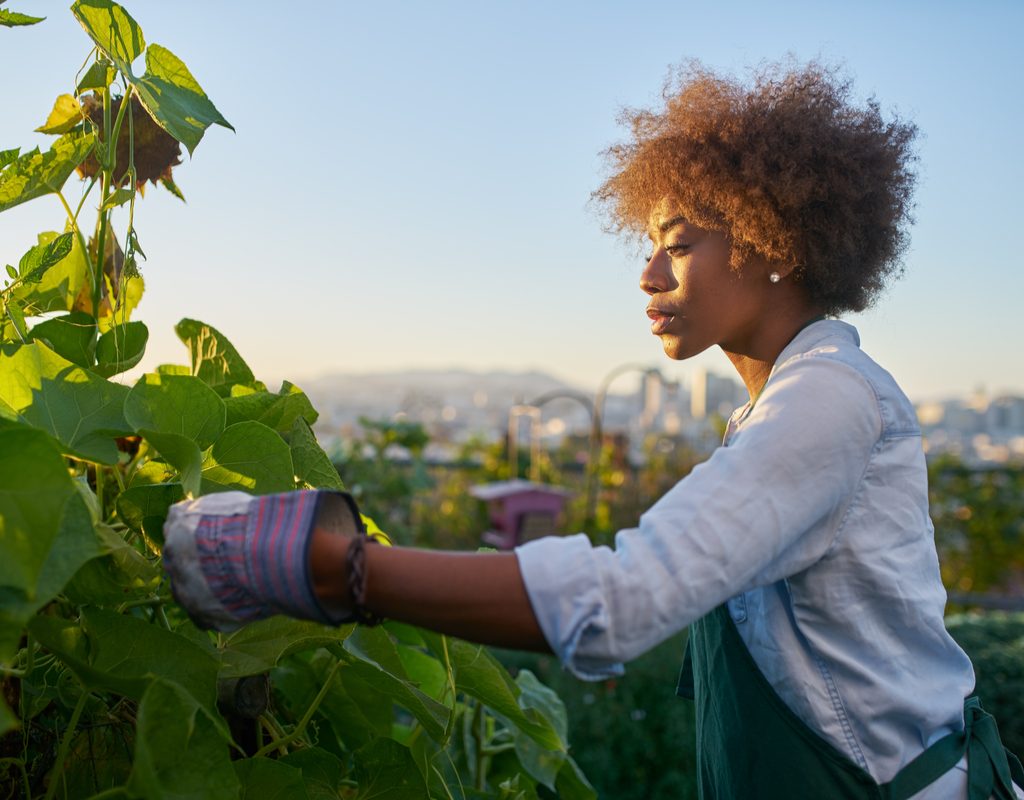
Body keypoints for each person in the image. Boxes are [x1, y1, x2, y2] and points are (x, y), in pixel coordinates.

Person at [163, 62, 1024, 799]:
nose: (647, 274)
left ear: (777, 241)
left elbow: (621, 604)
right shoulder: (774, 410)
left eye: (678, 245)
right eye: (648, 245)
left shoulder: (828, 400)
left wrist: (332, 564)